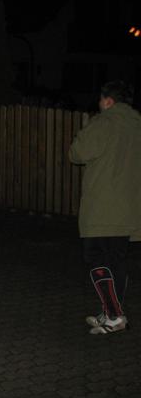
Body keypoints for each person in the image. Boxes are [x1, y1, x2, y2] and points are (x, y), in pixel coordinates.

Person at [69, 79, 141, 334]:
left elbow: (77, 153)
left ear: (108, 100)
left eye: (101, 100)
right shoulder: (137, 124)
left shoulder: (104, 122)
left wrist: (84, 131)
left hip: (103, 209)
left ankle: (114, 316)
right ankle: (111, 312)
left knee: (97, 260)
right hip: (129, 208)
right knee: (117, 262)